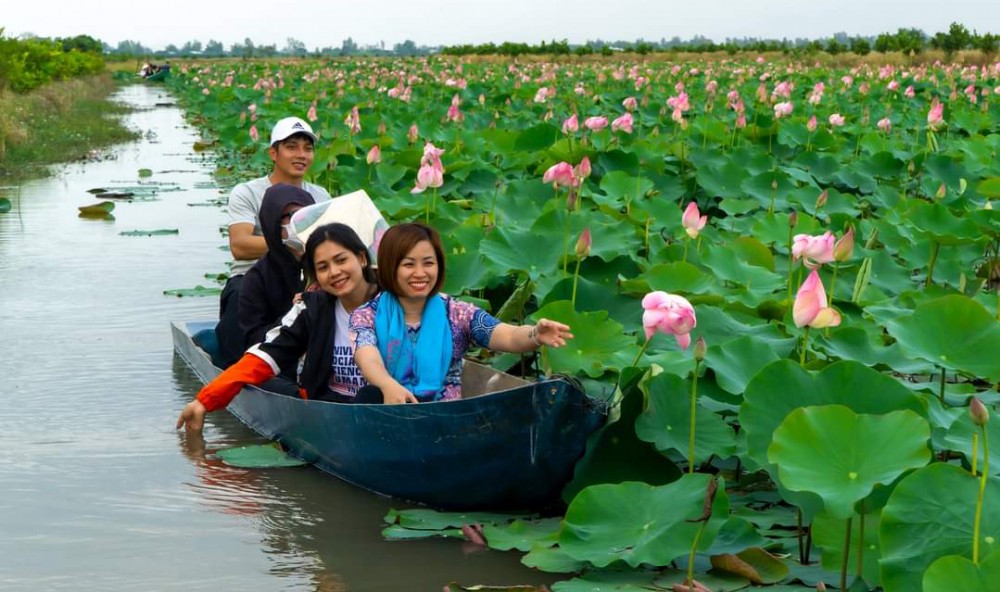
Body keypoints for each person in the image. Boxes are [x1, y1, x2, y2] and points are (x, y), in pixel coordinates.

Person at [177, 223, 379, 431]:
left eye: (341, 260)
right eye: (323, 267)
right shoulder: (312, 308)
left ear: (362, 258)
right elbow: (265, 355)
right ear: (315, 275)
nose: (335, 272)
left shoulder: (392, 303)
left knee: (372, 395)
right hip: (329, 409)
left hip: (385, 406)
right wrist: (204, 401)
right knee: (256, 380)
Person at [350, 223, 573, 405]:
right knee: (369, 395)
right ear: (390, 267)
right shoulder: (367, 315)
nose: (420, 273)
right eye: (409, 264)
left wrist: (535, 334)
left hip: (445, 420)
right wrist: (387, 384)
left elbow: (504, 334)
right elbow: (366, 355)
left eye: (428, 263)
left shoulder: (456, 313)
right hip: (388, 414)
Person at [215, 116, 332, 368]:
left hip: (305, 276)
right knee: (239, 294)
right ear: (273, 152)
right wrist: (290, 241)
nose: (301, 154)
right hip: (253, 278)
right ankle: (236, 368)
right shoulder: (247, 192)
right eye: (291, 147)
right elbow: (241, 245)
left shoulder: (320, 195)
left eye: (307, 148)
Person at [238, 183, 315, 363]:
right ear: (273, 224)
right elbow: (252, 340)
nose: (298, 222)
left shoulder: (328, 263)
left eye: (304, 214)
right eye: (289, 217)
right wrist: (291, 316)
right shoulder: (256, 279)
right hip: (281, 362)